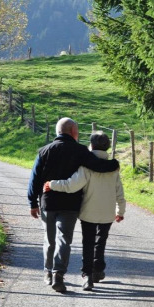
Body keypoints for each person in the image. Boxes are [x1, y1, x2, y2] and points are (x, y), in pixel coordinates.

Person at [28, 118, 119, 292]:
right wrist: (114, 164)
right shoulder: (81, 151)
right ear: (73, 132)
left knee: (49, 239)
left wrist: (32, 202)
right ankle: (59, 274)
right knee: (64, 240)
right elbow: (98, 166)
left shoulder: (44, 151)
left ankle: (48, 272)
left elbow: (34, 179)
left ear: (58, 132)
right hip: (70, 204)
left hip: (48, 202)